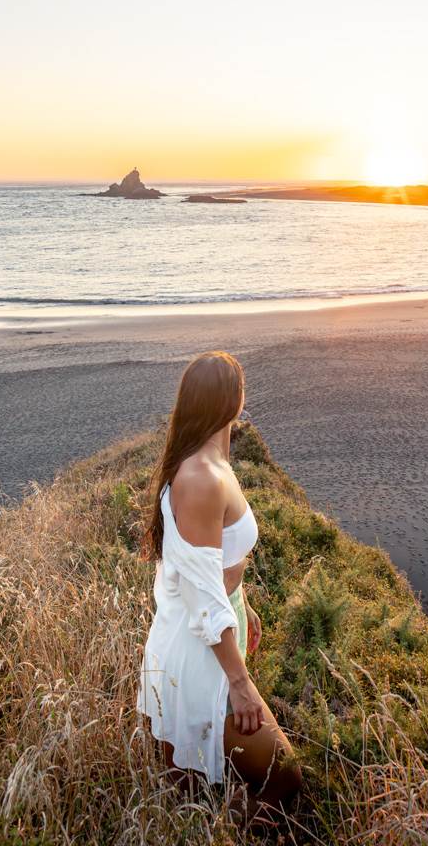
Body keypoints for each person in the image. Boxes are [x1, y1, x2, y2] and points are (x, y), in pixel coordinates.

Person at [135, 350, 303, 828]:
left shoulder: (210, 461)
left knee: (191, 794)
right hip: (198, 659)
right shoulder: (200, 477)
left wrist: (243, 606)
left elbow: (216, 566)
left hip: (202, 642)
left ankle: (207, 829)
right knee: (283, 777)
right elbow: (202, 597)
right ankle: (218, 833)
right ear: (235, 401)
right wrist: (240, 683)